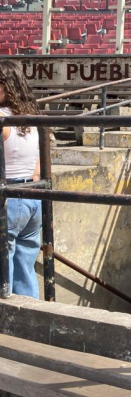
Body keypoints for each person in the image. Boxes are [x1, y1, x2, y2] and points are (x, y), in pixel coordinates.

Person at [0, 60, 41, 299]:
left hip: (9, 196)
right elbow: (39, 164)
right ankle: (31, 319)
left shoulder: (2, 118)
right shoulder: (32, 118)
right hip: (33, 195)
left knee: (4, 266)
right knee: (25, 264)